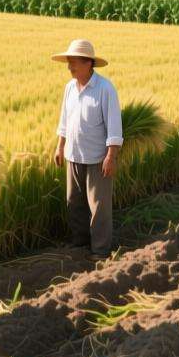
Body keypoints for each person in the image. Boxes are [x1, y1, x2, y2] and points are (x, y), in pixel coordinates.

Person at [51, 39, 123, 257]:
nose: (69, 67)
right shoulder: (69, 88)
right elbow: (65, 120)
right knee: (74, 202)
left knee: (99, 207)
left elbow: (114, 126)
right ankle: (80, 242)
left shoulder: (105, 89)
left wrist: (111, 156)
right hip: (73, 155)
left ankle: (100, 250)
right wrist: (59, 146)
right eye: (69, 62)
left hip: (96, 158)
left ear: (88, 63)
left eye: (73, 62)